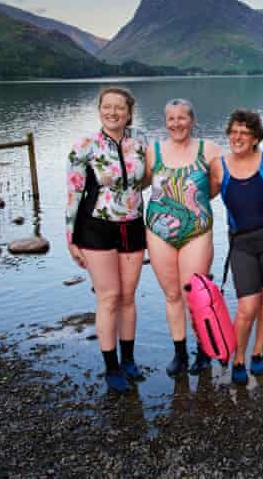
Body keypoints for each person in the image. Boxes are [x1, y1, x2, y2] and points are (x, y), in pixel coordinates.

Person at [66, 87, 148, 393]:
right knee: (109, 296)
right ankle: (111, 367)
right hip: (96, 227)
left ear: (129, 112)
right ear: (100, 110)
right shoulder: (84, 146)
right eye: (107, 107)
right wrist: (70, 237)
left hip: (133, 225)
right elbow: (73, 192)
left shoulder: (140, 139)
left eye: (120, 108)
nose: (113, 112)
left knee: (128, 296)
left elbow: (151, 176)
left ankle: (129, 360)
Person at [144, 99, 222, 378]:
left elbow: (217, 185)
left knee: (196, 294)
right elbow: (137, 184)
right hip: (158, 231)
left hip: (196, 232)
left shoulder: (209, 150)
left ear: (193, 120)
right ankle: (179, 352)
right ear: (165, 122)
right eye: (171, 118)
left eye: (182, 118)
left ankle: (204, 350)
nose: (177, 123)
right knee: (172, 294)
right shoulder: (152, 152)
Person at [210, 109, 263, 385]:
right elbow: (204, 194)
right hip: (241, 243)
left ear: (255, 137)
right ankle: (239, 357)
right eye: (233, 131)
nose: (237, 137)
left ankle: (258, 352)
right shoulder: (219, 166)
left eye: (244, 132)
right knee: (247, 306)